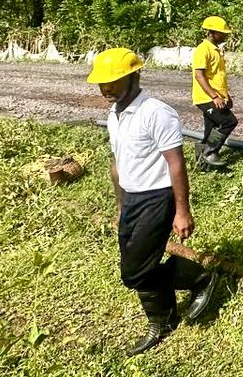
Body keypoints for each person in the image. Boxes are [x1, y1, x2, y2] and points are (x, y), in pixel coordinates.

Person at [88, 48, 217, 356]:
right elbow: (118, 163)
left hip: (157, 197)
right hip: (132, 198)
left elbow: (176, 163)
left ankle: (197, 279)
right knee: (135, 266)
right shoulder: (115, 114)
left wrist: (182, 210)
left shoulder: (155, 112)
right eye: (102, 83)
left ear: (135, 75)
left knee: (134, 272)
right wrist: (121, 206)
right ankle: (165, 316)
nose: (106, 88)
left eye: (114, 81)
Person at [192, 15, 237, 170]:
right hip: (205, 98)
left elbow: (217, 76)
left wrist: (226, 96)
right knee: (229, 121)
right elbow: (199, 75)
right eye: (222, 33)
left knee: (210, 128)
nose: (225, 35)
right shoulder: (203, 50)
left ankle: (201, 164)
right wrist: (214, 96)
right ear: (212, 32)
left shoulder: (216, 50)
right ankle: (210, 152)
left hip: (215, 97)